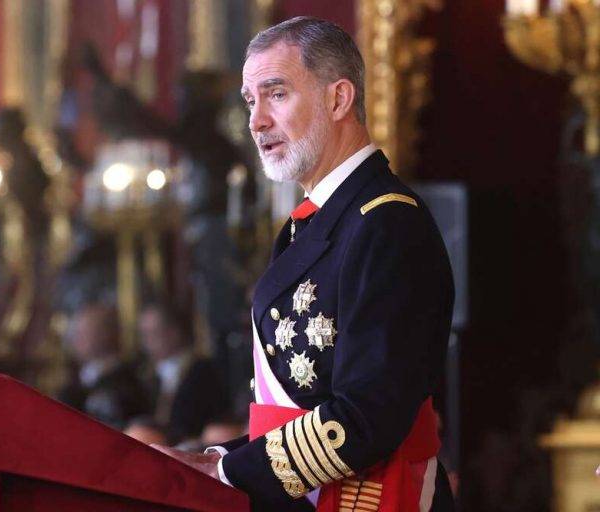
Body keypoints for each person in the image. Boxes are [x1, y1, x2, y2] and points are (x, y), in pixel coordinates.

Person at [154, 16, 455, 512]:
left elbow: (367, 415)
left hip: (373, 497)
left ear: (338, 99)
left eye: (276, 94)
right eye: (250, 101)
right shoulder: (310, 225)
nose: (255, 122)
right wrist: (211, 459)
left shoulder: (386, 223)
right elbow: (296, 409)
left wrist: (228, 470)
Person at [130, 300, 231, 445]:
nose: (147, 342)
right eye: (144, 334)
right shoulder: (145, 376)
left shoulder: (201, 371)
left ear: (174, 332)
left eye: (153, 333)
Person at [59, 302, 151, 429]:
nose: (76, 339)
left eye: (84, 332)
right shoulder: (76, 379)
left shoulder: (128, 383)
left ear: (105, 334)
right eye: (76, 333)